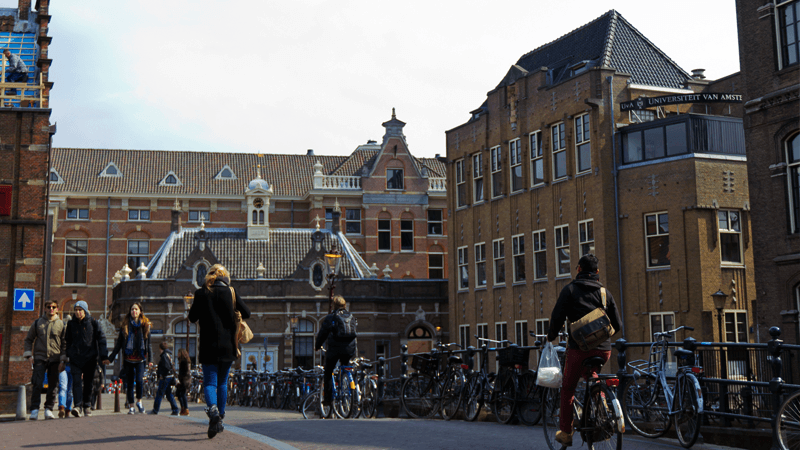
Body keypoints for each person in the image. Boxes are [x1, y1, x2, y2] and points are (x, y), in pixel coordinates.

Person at [547, 253, 622, 447]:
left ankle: (565, 432)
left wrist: (551, 336)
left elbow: (557, 318)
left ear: (579, 269)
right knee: (592, 373)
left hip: (579, 349)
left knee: (568, 388)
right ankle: (600, 398)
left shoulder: (569, 290)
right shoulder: (605, 293)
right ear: (597, 272)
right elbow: (618, 325)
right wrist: (598, 336)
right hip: (603, 350)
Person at [188, 264, 249, 439]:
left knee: (209, 383)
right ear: (225, 276)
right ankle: (219, 417)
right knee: (222, 383)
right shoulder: (231, 292)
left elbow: (192, 317)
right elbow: (247, 312)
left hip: (208, 346)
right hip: (228, 346)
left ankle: (213, 411)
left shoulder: (201, 293)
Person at [23, 299, 67, 420]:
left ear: (57, 309)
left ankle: (48, 409)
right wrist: (29, 355)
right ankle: (34, 410)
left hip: (55, 358)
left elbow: (65, 344)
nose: (51, 309)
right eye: (48, 307)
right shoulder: (37, 323)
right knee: (37, 383)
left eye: (53, 307)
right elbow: (28, 340)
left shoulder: (62, 325)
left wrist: (63, 360)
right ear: (45, 309)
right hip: (40, 357)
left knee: (53, 385)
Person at [65, 301, 108, 417]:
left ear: (85, 311)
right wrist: (69, 353)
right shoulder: (70, 324)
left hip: (90, 358)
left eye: (80, 310)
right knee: (77, 382)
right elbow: (67, 341)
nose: (78, 312)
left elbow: (102, 339)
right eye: (76, 310)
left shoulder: (93, 323)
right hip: (75, 359)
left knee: (89, 383)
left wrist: (104, 356)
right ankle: (78, 406)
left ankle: (87, 405)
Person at [107, 302, 151, 415]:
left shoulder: (145, 326)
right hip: (128, 359)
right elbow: (118, 345)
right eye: (132, 309)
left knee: (140, 381)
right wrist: (110, 359)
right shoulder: (125, 327)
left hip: (140, 359)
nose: (134, 311)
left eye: (136, 309)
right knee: (130, 383)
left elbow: (148, 345)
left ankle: (139, 402)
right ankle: (131, 406)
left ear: (140, 311)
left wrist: (150, 360)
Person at [314, 295, 357, 408]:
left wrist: (317, 346)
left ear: (334, 305)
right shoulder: (351, 316)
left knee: (328, 372)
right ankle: (352, 394)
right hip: (350, 349)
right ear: (344, 305)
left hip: (335, 349)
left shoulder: (331, 317)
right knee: (347, 367)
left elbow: (323, 333)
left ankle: (328, 399)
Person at [150, 341, 179, 415]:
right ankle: (175, 409)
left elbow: (166, 367)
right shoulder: (169, 354)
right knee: (169, 394)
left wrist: (162, 375)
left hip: (165, 378)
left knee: (159, 394)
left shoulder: (164, 355)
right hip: (170, 377)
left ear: (160, 348)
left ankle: (155, 410)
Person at [175, 348, 192, 416]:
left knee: (182, 394)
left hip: (183, 380)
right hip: (185, 380)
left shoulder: (183, 361)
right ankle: (183, 408)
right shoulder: (184, 361)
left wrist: (179, 379)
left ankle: (186, 409)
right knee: (179, 394)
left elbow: (184, 372)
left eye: (178, 353)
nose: (177, 354)